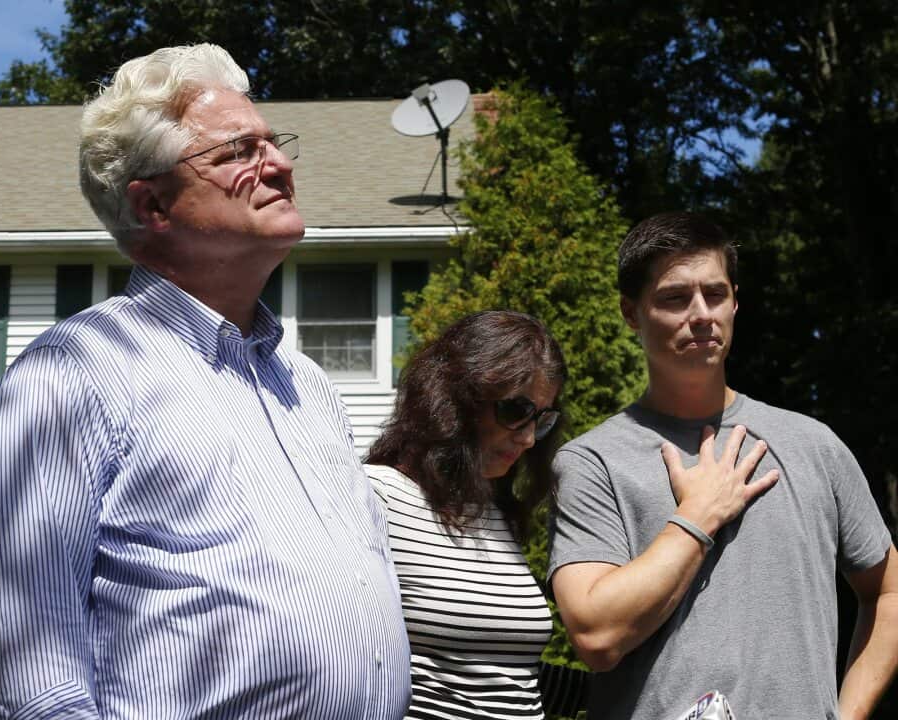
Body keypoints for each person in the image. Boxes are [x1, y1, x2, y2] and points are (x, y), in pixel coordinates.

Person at [0, 44, 410, 720]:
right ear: (153, 206)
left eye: (273, 143)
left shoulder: (307, 386)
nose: (280, 165)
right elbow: (30, 677)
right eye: (238, 152)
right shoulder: (74, 375)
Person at [548, 211, 898, 720]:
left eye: (714, 294)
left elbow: (887, 589)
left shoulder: (813, 445)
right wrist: (697, 517)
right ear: (630, 312)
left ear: (735, 300)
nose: (700, 314)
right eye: (674, 297)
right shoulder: (593, 462)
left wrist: (850, 712)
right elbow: (597, 636)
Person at [364, 311, 568, 720]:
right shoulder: (376, 497)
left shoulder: (495, 514)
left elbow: (503, 675)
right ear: (456, 397)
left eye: (542, 420)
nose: (528, 437)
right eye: (515, 411)